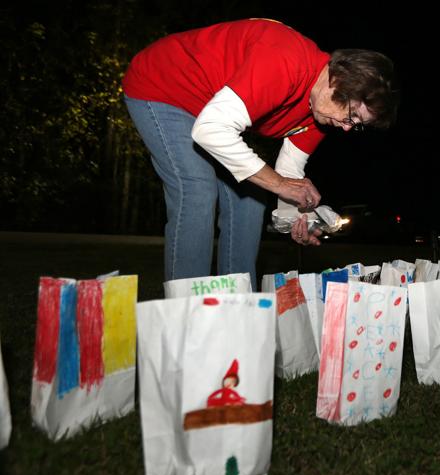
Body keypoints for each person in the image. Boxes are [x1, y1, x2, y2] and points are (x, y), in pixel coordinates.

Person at [122, 18, 398, 285]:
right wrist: (278, 184)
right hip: (163, 86)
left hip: (210, 108)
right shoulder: (284, 61)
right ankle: (187, 308)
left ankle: (239, 301)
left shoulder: (322, 118)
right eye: (352, 115)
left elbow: (288, 175)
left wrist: (296, 219)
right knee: (196, 188)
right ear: (337, 81)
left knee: (250, 199)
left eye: (357, 125)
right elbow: (212, 130)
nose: (348, 128)